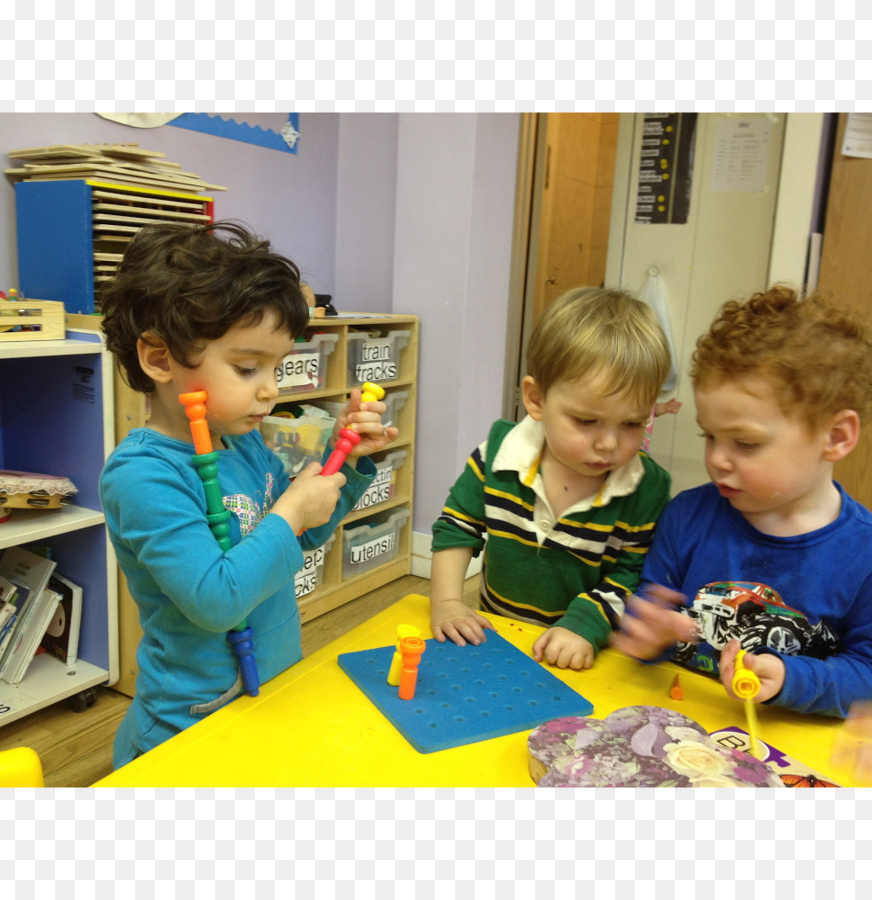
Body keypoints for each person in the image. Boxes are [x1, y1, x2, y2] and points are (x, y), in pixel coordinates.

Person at [99, 221, 397, 767]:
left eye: (277, 367)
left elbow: (301, 539)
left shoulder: (242, 443)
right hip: (190, 724)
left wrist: (344, 463)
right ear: (160, 358)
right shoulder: (142, 475)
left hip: (269, 691)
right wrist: (289, 512)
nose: (271, 389)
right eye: (246, 367)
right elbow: (215, 601)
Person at [612, 285, 872, 719]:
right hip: (677, 726)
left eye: (745, 443)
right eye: (709, 436)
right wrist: (650, 633)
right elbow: (650, 606)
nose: (717, 460)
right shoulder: (687, 515)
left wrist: (792, 678)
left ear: (835, 437)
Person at [429, 286, 673, 670]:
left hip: (584, 654)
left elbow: (632, 574)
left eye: (632, 423)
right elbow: (457, 527)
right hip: (497, 640)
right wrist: (446, 603)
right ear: (537, 399)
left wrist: (582, 627)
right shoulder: (497, 455)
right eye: (587, 421)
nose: (609, 444)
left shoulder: (647, 488)